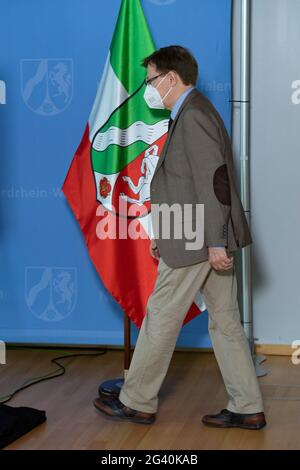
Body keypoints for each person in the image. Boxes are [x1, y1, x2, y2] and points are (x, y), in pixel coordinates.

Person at [94, 45, 266, 430]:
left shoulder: (194, 116)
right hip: (192, 231)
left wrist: (217, 241)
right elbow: (186, 185)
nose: (147, 88)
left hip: (199, 237)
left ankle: (137, 401)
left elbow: (215, 181)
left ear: (171, 78)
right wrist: (165, 229)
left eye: (151, 79)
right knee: (225, 322)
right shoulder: (190, 112)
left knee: (161, 316)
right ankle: (247, 405)